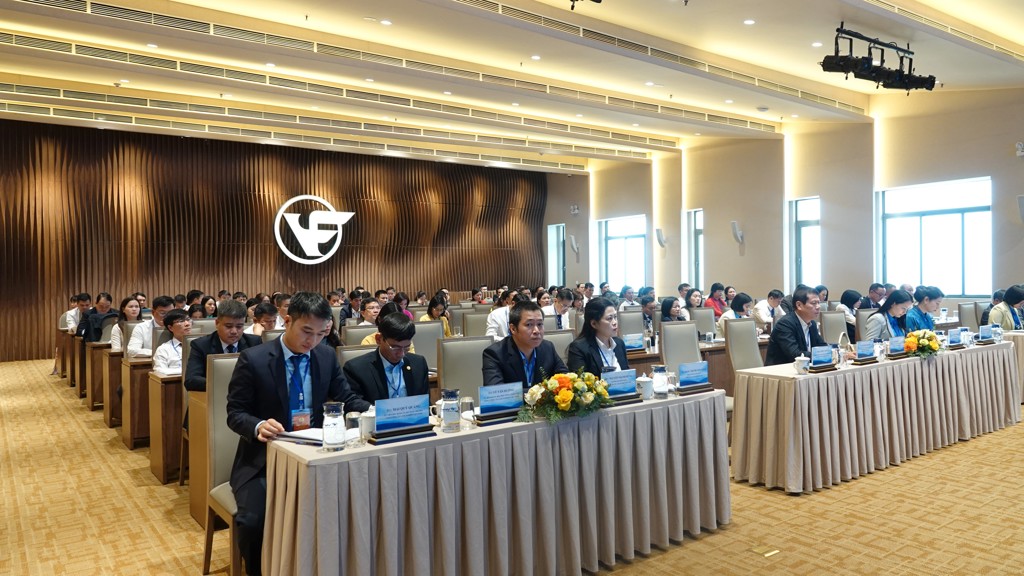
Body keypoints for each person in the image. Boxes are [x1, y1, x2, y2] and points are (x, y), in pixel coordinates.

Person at [227, 292, 369, 576]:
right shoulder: (254, 359)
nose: (312, 341)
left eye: (321, 334)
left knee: (357, 507)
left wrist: (377, 412)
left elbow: (348, 399)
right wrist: (258, 425)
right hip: (264, 461)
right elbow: (235, 413)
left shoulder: (326, 356)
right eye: (306, 331)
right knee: (254, 522)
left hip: (317, 455)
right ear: (288, 321)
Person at [345, 313, 430, 403]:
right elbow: (353, 403)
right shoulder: (356, 369)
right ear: (379, 339)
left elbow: (425, 403)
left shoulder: (419, 364)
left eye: (406, 347)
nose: (401, 354)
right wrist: (379, 409)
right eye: (395, 347)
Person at [482, 301, 568, 388]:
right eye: (529, 324)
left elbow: (566, 379)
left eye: (540, 324)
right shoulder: (495, 354)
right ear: (513, 329)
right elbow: (495, 391)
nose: (536, 331)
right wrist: (539, 392)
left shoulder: (548, 347)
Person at [185, 300, 261, 392]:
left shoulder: (254, 343)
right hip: (214, 395)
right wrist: (227, 383)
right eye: (228, 326)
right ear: (217, 323)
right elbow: (191, 380)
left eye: (239, 326)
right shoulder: (201, 345)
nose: (234, 331)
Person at [764, 286, 827, 366]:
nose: (818, 307)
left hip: (804, 368)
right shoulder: (785, 324)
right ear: (799, 305)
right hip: (780, 370)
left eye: (819, 303)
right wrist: (821, 355)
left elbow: (822, 346)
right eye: (814, 303)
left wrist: (831, 352)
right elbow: (795, 355)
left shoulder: (812, 324)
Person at [567, 297, 630, 374]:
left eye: (615, 317)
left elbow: (627, 374)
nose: (615, 322)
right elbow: (580, 380)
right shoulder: (579, 348)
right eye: (609, 318)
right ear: (594, 324)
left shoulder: (619, 343)